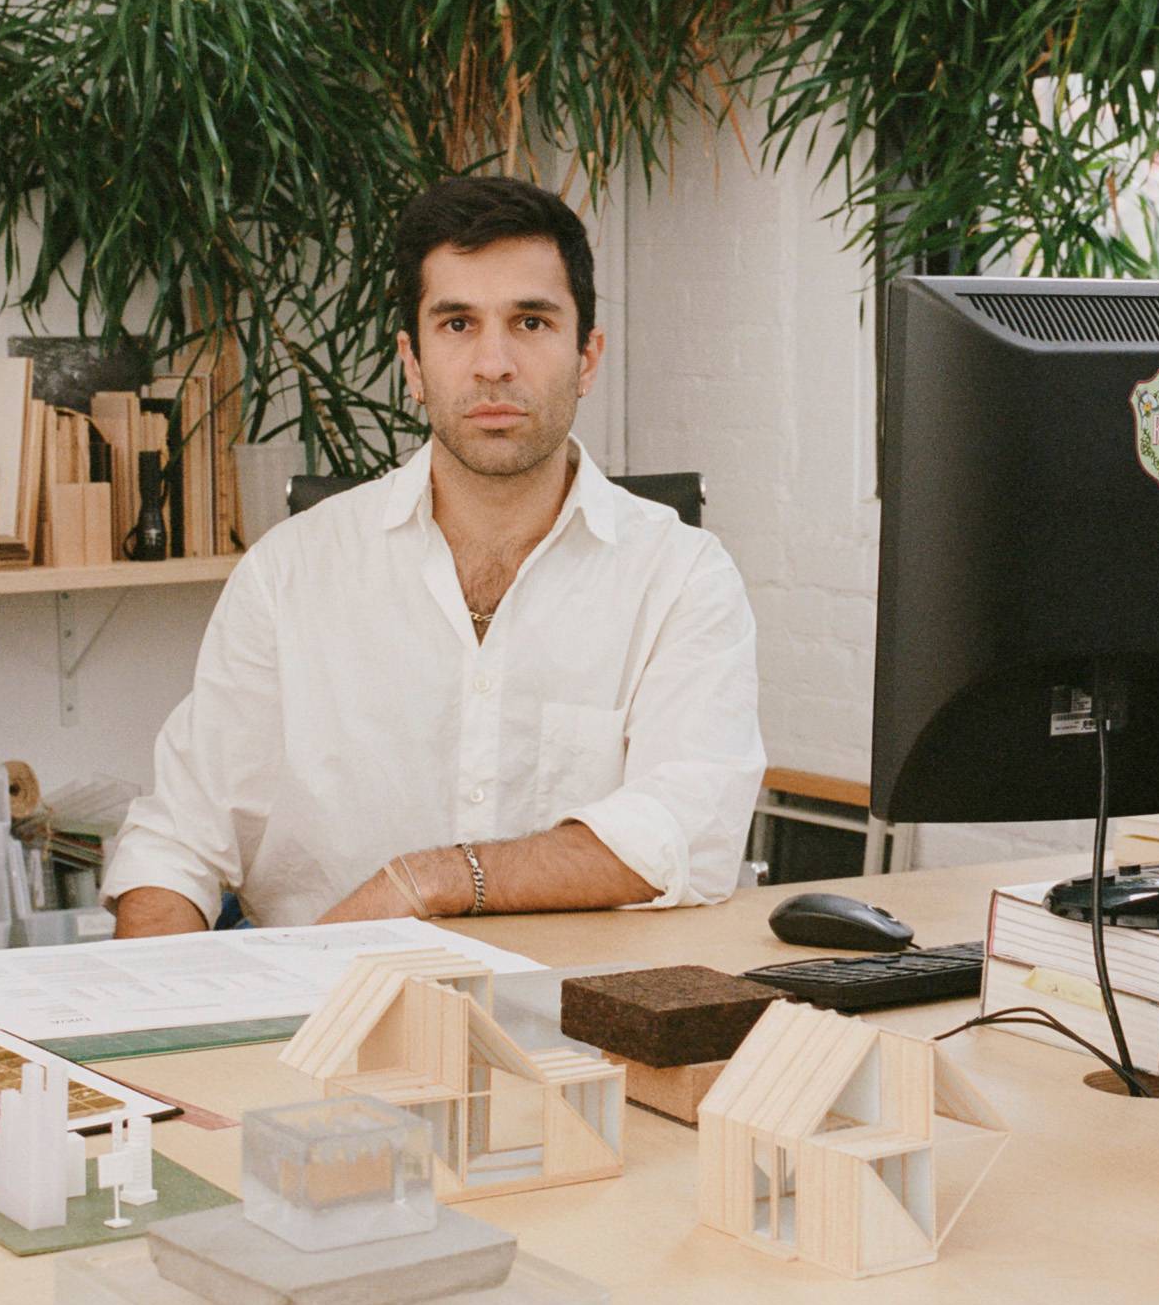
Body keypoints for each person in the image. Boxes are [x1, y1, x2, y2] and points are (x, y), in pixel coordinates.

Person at [105, 176, 765, 934]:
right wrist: (166, 1018)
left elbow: (687, 830)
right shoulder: (289, 573)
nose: (494, 363)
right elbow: (176, 843)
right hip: (321, 1022)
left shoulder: (680, 575)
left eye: (531, 322)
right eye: (456, 324)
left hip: (572, 1026)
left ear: (587, 357)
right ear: (413, 365)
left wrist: (434, 879)